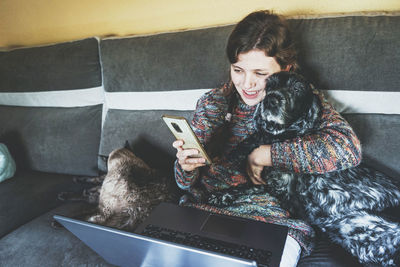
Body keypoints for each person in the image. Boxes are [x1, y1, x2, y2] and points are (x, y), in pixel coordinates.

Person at [172, 10, 361, 267]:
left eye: (260, 74)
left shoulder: (300, 100)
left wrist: (266, 154)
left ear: (286, 69)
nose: (246, 84)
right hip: (206, 212)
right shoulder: (213, 103)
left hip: (270, 221)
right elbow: (184, 184)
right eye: (238, 69)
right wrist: (185, 167)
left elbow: (347, 148)